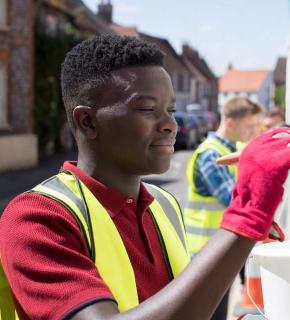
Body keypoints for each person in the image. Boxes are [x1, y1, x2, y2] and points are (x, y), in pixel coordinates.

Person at [0, 35, 287, 320]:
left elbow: (184, 308)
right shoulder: (36, 218)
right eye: (148, 109)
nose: (170, 124)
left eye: (171, 110)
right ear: (87, 121)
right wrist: (246, 216)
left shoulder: (163, 204)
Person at [184, 97, 263, 319]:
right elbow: (236, 200)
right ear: (229, 123)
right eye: (250, 126)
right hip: (206, 254)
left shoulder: (236, 149)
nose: (254, 131)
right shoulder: (211, 155)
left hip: (224, 248)